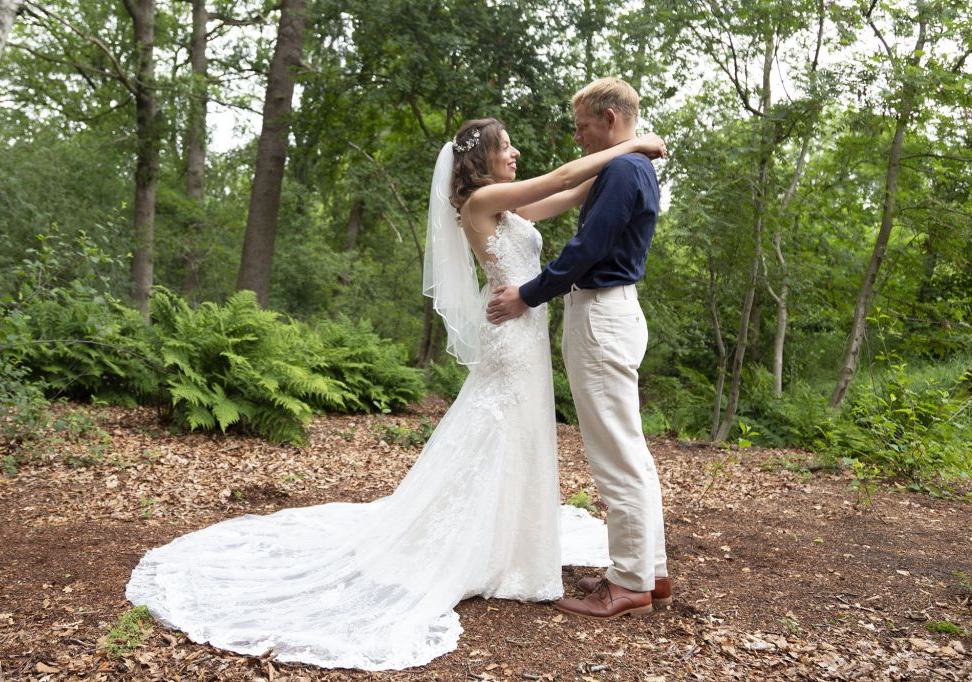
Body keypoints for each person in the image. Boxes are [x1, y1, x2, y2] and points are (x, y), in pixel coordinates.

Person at [125, 117, 667, 670]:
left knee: (521, 438)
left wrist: (633, 168)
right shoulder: (482, 202)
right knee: (496, 432)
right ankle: (476, 546)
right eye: (507, 146)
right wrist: (635, 145)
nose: (517, 152)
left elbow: (575, 189)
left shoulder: (509, 209)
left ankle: (514, 547)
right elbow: (566, 173)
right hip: (511, 337)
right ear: (483, 159)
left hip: (526, 336)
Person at [487, 77, 671, 620]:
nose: (579, 137)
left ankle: (631, 582)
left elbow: (587, 248)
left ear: (611, 119)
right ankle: (647, 571)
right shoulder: (632, 167)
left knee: (616, 454)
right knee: (628, 449)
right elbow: (565, 200)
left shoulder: (621, 168)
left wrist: (527, 294)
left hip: (602, 315)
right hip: (611, 312)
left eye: (584, 127)